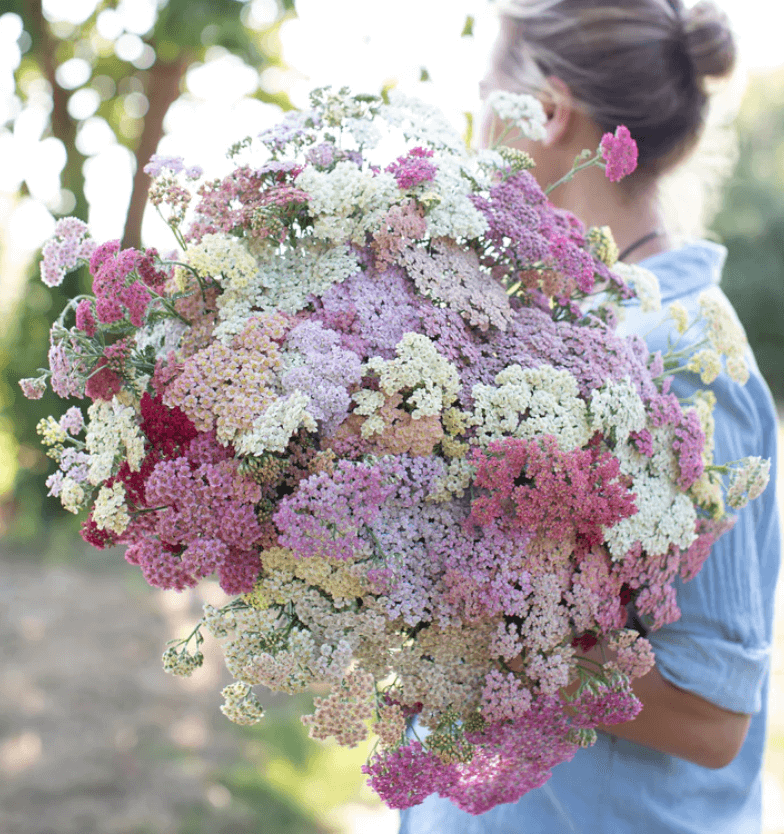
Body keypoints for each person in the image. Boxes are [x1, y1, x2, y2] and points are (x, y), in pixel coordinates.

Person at [399, 1, 781, 832]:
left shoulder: (688, 356)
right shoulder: (525, 321)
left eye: (486, 92)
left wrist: (504, 617)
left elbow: (715, 724)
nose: (474, 126)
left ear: (547, 109)